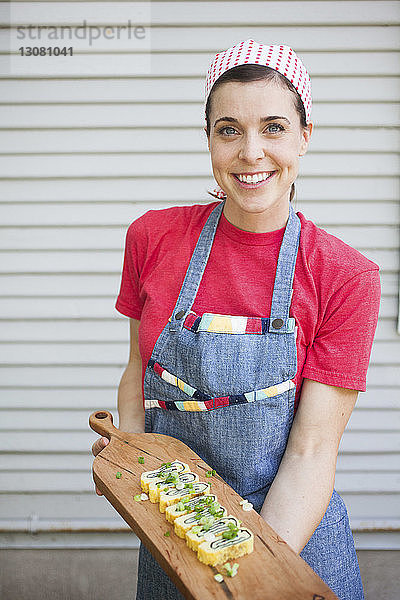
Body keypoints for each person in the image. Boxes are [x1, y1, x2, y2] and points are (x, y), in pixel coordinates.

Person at [91, 39, 381, 600]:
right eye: (229, 129)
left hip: (287, 551)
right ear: (208, 140)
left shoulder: (345, 275)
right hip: (175, 539)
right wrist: (128, 457)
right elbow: (136, 369)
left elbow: (312, 453)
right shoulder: (151, 238)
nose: (251, 152)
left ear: (305, 136)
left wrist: (245, 576)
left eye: (274, 127)